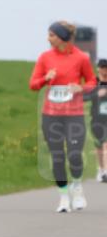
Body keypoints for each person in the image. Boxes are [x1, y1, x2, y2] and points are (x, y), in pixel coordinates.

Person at [30, 21, 96, 211]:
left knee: (75, 155)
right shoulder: (44, 58)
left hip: (74, 114)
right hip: (51, 115)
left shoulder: (81, 58)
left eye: (51, 35)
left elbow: (92, 80)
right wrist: (45, 78)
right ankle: (64, 198)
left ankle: (77, 188)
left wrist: (80, 88)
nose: (48, 38)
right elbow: (33, 84)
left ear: (62, 38)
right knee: (57, 157)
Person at [89, 59, 107, 183]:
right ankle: (100, 169)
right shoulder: (93, 82)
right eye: (102, 67)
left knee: (106, 143)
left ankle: (106, 171)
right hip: (96, 119)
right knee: (99, 146)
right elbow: (84, 97)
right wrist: (97, 94)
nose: (104, 69)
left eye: (106, 67)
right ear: (98, 68)